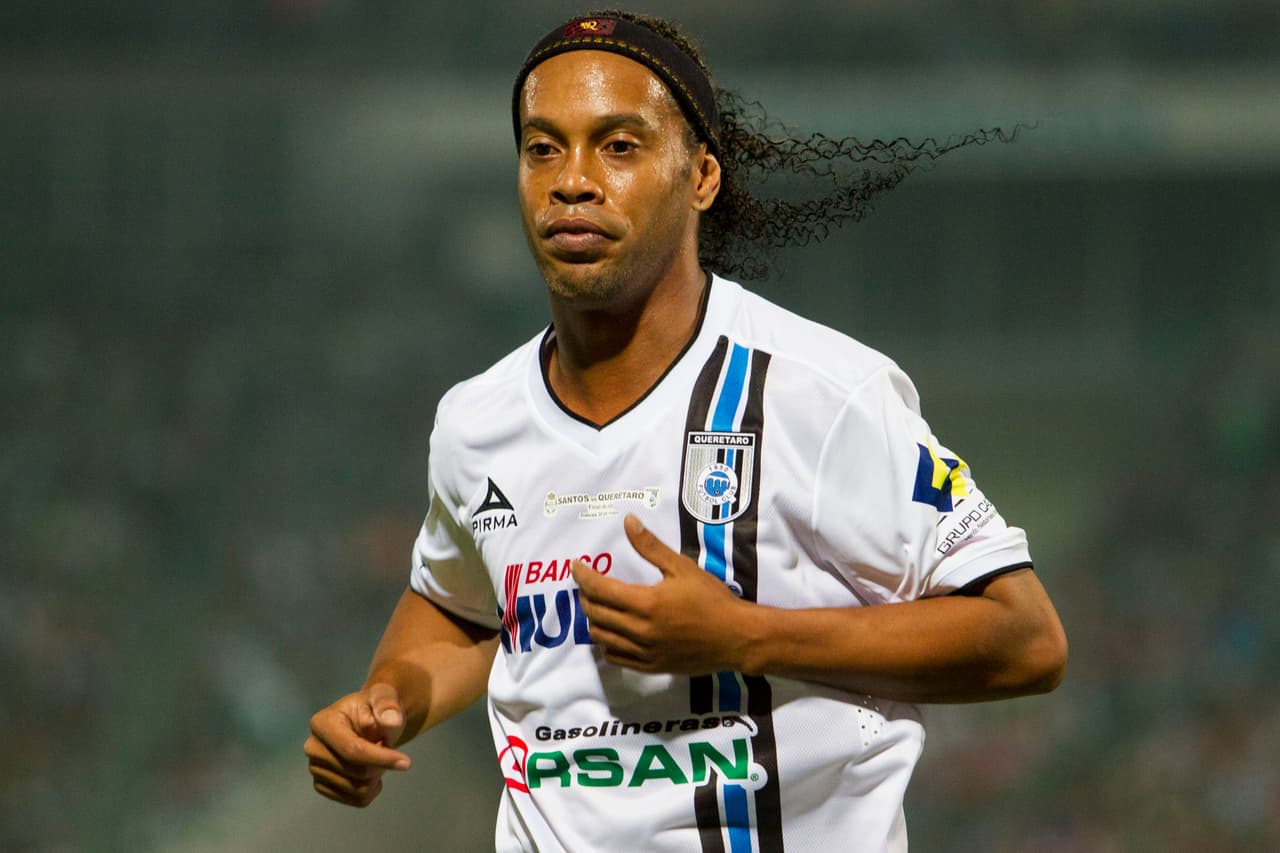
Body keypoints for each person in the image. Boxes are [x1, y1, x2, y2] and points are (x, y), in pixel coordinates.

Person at [305, 9, 1067, 852]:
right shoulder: (475, 421)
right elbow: (459, 607)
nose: (572, 180)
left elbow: (1024, 637)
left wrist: (750, 635)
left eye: (619, 146)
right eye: (543, 147)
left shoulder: (824, 394)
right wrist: (388, 702)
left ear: (701, 175)